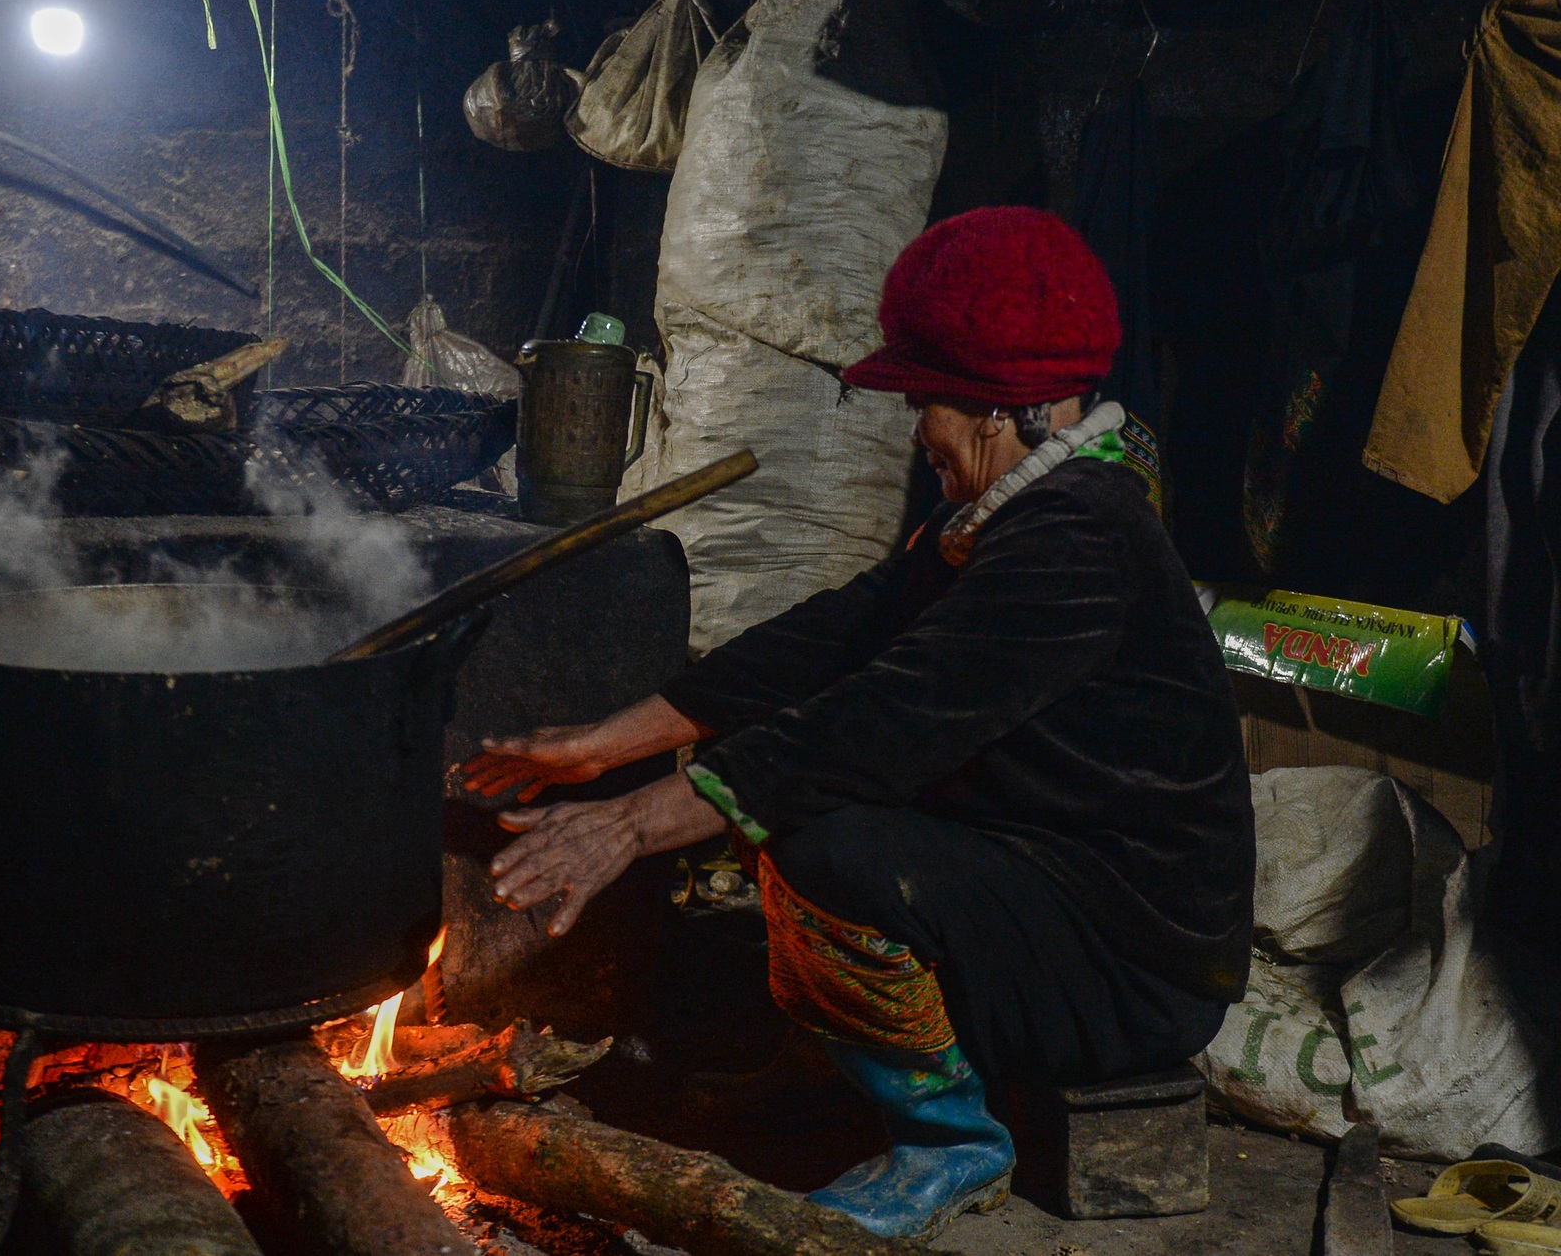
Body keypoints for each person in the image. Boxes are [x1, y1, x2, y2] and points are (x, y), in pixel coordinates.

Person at [462, 206, 1255, 1241]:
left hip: (1132, 966)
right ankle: (837, 1082)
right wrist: (604, 745)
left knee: (825, 846)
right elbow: (841, 636)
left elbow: (884, 721)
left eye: (924, 399)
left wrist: (634, 824)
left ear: (1002, 408)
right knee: (806, 820)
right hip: (1051, 886)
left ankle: (952, 1144)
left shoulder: (1081, 537)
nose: (915, 427)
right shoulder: (1021, 507)